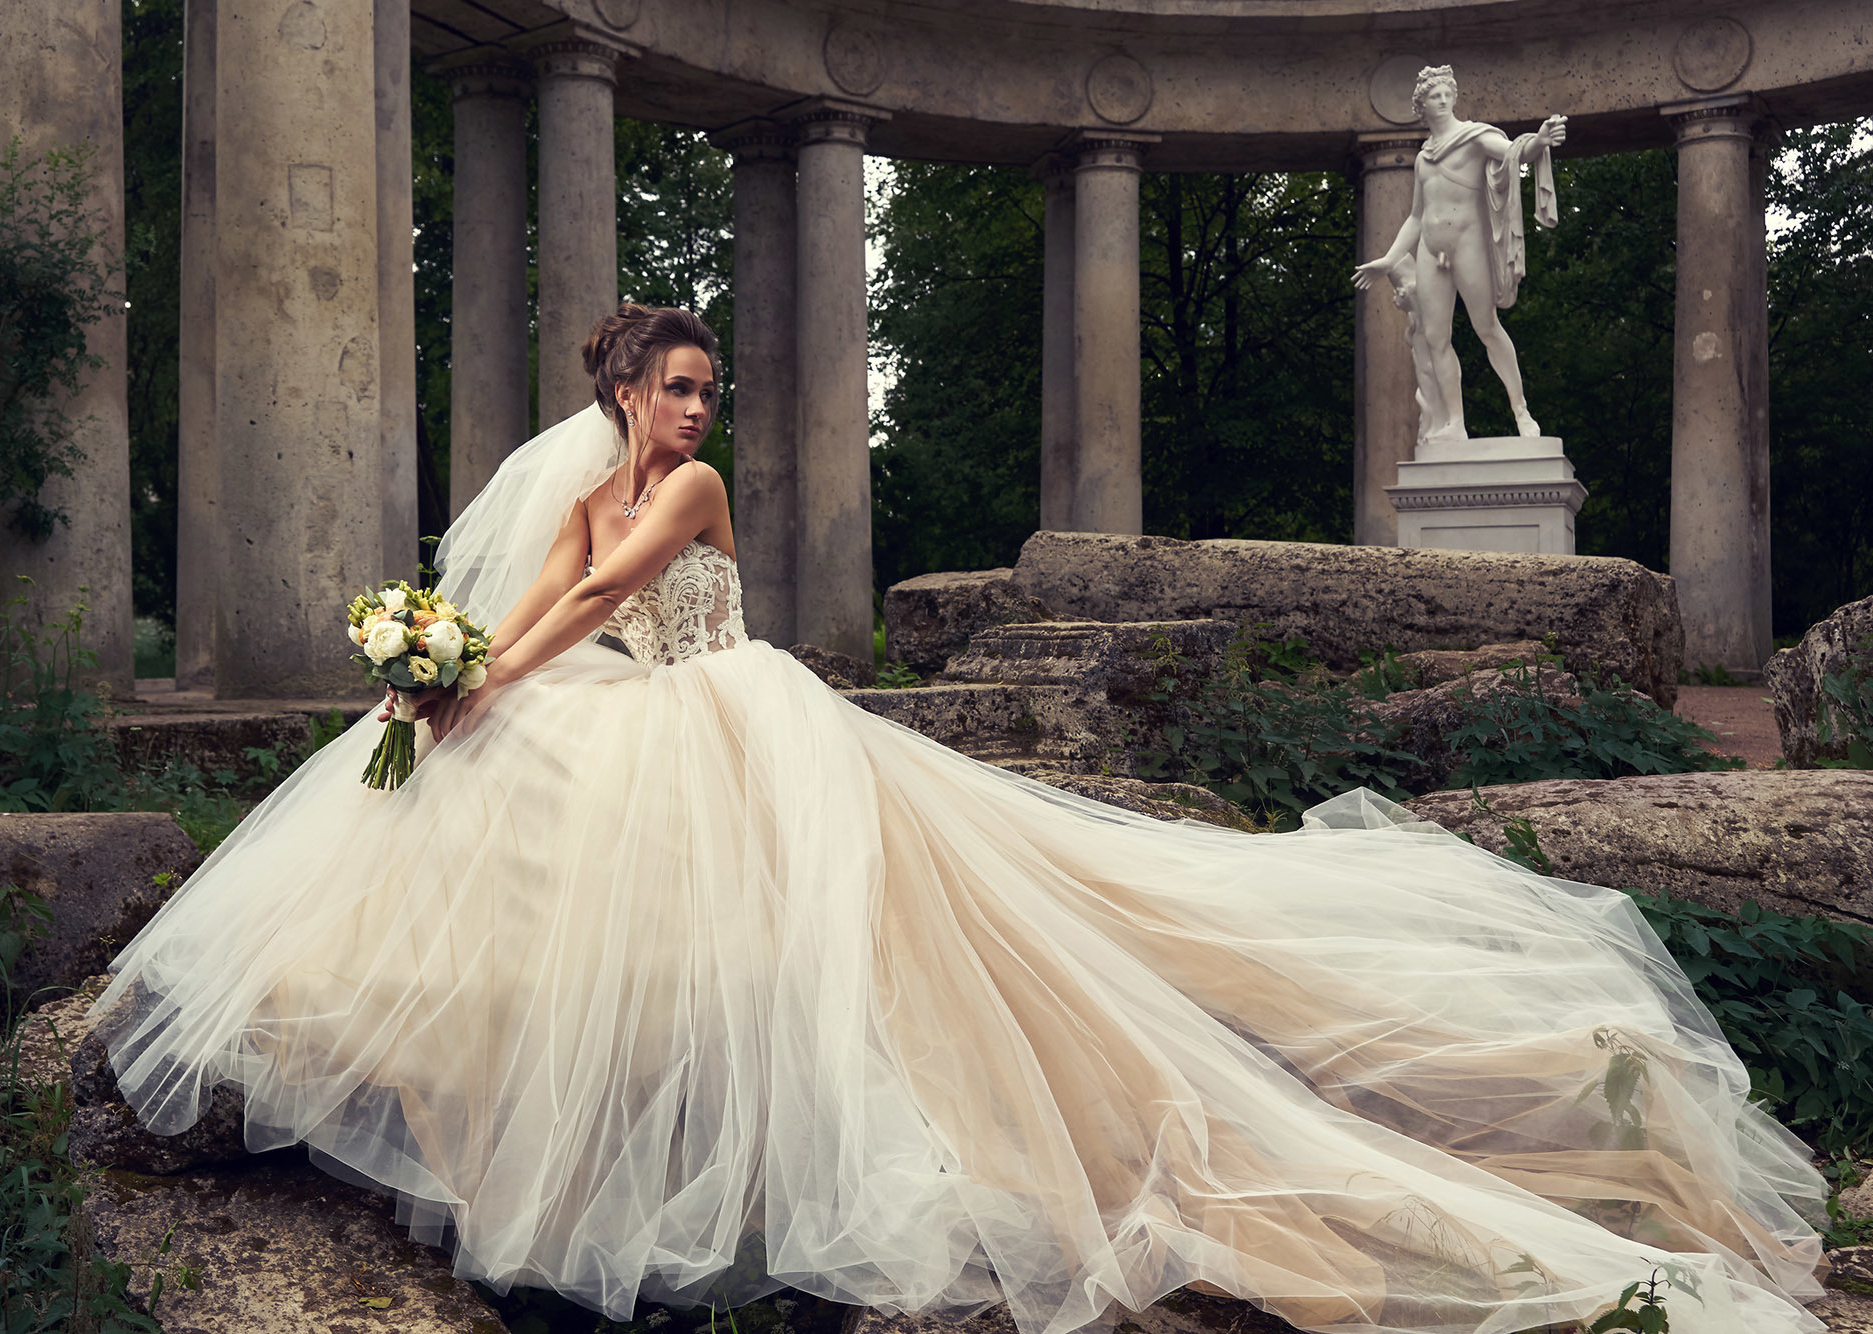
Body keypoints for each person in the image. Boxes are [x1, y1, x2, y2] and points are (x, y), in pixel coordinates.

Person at [92, 305, 1827, 1334]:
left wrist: (489, 674)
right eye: (677, 386)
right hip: (620, 698)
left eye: (710, 390)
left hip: (736, 714)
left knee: (880, 952)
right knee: (503, 783)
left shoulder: (681, 492)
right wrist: (457, 675)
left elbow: (626, 584)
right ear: (623, 389)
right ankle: (521, 1131)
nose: (699, 412)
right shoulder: (584, 475)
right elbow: (556, 593)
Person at [1354, 66, 1567, 445]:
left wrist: (1541, 140)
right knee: (1436, 338)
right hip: (1429, 252)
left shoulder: (1473, 137)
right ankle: (1455, 423)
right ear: (1422, 106)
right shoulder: (1422, 159)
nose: (1442, 98)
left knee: (1486, 327)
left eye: (1446, 92)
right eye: (1433, 95)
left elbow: (1514, 153)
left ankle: (1521, 410)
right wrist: (1389, 259)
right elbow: (1417, 217)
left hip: (1467, 245)